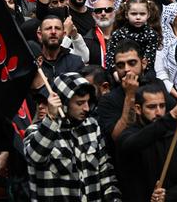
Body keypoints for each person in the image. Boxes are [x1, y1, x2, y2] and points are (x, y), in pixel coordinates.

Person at [24, 72, 122, 201]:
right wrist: (52, 118)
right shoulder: (36, 131)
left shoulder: (92, 126)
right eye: (80, 103)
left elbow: (106, 172)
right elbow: (36, 158)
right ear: (64, 102)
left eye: (88, 102)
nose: (86, 108)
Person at [116, 83, 177, 201]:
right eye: (152, 107)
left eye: (162, 106)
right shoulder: (128, 136)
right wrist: (172, 116)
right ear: (138, 109)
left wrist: (167, 196)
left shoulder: (175, 141)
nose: (159, 112)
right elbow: (133, 144)